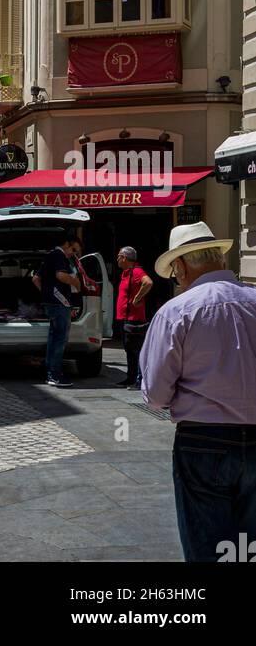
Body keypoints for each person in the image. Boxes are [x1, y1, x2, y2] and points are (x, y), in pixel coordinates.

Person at [141, 221, 256, 563]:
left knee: (208, 550)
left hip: (203, 442)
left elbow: (155, 395)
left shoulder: (176, 312)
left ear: (181, 266)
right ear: (220, 260)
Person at [35, 231, 82, 388]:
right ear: (66, 245)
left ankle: (51, 372)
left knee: (54, 337)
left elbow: (35, 279)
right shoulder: (59, 255)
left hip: (50, 302)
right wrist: (75, 282)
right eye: (73, 250)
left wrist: (46, 294)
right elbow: (61, 276)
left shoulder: (49, 256)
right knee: (60, 339)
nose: (72, 254)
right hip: (60, 302)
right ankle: (54, 374)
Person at [115, 246, 153, 388]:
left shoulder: (136, 271)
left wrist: (137, 298)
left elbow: (148, 282)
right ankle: (130, 378)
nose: (117, 259)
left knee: (136, 350)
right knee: (129, 350)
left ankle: (139, 380)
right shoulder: (126, 273)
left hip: (134, 319)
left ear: (124, 258)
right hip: (125, 317)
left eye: (119, 256)